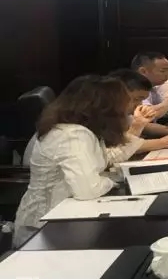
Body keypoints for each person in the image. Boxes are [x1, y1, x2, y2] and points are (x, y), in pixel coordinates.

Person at [14, 76, 141, 245]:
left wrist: (135, 132)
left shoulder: (83, 130)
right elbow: (88, 189)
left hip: (69, 215)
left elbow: (104, 159)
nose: (129, 109)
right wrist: (112, 180)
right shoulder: (72, 134)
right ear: (106, 108)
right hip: (44, 228)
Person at [107, 69, 168, 161]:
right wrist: (164, 142)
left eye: (142, 100)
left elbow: (146, 127)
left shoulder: (122, 113)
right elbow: (115, 153)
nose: (140, 104)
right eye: (136, 99)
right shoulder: (102, 118)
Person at [131, 51, 168, 118]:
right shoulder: (133, 88)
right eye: (163, 71)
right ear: (143, 71)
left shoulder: (154, 88)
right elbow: (147, 115)